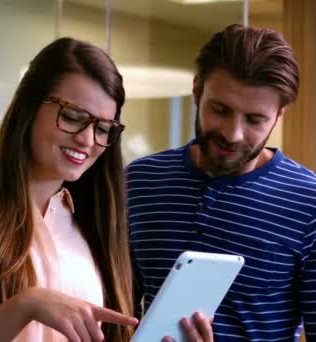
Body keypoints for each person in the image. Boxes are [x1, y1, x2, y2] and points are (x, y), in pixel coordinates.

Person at [0, 37, 211, 342]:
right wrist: (26, 305)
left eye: (103, 129)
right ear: (28, 105)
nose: (87, 139)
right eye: (72, 117)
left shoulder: (92, 229)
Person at [126, 24, 315, 341]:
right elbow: (115, 314)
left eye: (254, 120)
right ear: (197, 90)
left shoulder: (308, 201)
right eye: (220, 109)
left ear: (279, 115)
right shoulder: (140, 181)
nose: (232, 134)